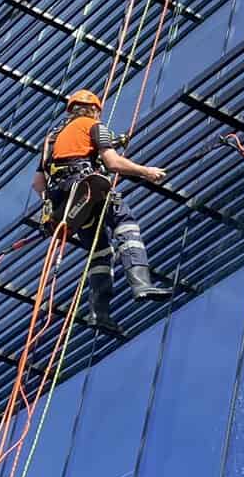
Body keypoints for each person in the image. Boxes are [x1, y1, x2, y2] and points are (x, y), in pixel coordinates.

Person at [31, 88, 171, 330]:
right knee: (125, 224)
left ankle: (99, 314)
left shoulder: (52, 138)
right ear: (95, 110)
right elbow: (113, 162)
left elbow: (38, 183)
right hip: (88, 187)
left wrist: (49, 206)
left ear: (71, 110)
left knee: (99, 251)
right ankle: (140, 284)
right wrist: (147, 172)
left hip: (66, 201)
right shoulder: (95, 127)